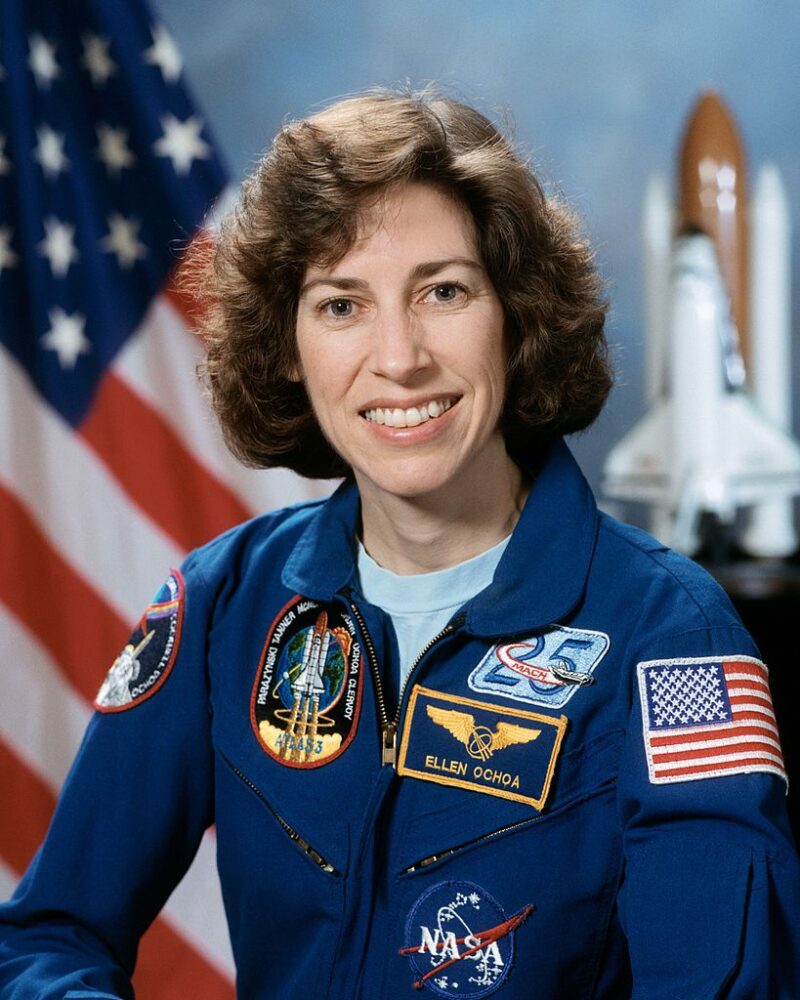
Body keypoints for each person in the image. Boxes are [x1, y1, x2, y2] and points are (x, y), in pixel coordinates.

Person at [1, 88, 798, 999]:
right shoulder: (226, 604)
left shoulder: (668, 634)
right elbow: (47, 936)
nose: (400, 356)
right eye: (342, 306)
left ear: (516, 315)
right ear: (291, 346)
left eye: (444, 291)